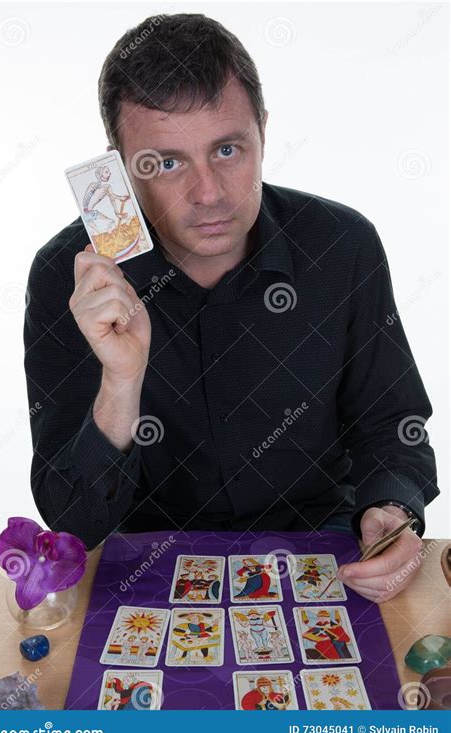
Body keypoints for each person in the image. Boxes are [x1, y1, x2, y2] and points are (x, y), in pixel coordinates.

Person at [24, 13, 440, 603]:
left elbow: (390, 425)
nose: (210, 193)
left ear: (263, 133)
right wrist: (120, 381)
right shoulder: (67, 277)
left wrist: (394, 509)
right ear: (118, 168)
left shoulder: (344, 247)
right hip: (147, 578)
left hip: (324, 561)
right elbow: (75, 524)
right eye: (166, 163)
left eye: (226, 149)